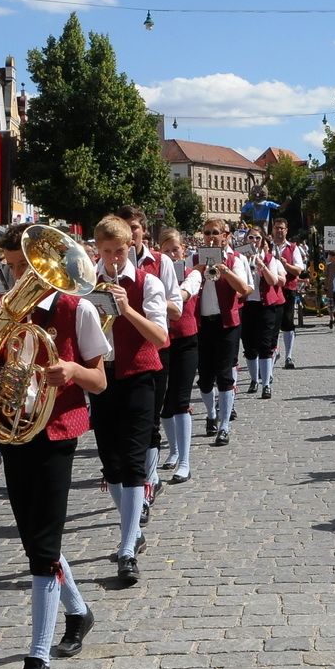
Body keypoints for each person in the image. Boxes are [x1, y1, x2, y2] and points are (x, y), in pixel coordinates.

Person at [0, 224, 110, 669]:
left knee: (42, 544)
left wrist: (72, 371)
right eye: (12, 266)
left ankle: (37, 659)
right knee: (34, 536)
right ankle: (78, 611)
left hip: (55, 431)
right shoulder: (0, 308)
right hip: (12, 427)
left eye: (22, 266)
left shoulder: (79, 308)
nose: (16, 275)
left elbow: (99, 380)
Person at [89, 216, 169, 585]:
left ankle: (125, 549)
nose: (113, 258)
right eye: (106, 252)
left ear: (129, 248)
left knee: (135, 462)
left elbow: (160, 338)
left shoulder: (146, 282)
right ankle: (132, 529)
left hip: (139, 377)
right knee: (112, 465)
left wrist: (127, 309)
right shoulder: (85, 281)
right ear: (97, 251)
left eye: (119, 251)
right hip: (102, 378)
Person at [123, 205, 182, 507]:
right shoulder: (104, 265)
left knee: (149, 422)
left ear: (143, 230)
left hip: (155, 350)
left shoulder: (160, 263)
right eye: (123, 227)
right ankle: (144, 479)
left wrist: (151, 294)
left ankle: (146, 481)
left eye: (133, 227)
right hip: (119, 353)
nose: (129, 234)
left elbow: (177, 308)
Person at [194, 219, 253, 446]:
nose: (211, 236)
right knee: (206, 378)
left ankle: (225, 425)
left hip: (227, 323)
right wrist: (197, 272)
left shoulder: (235, 259)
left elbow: (245, 289)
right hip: (202, 324)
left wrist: (225, 270)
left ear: (226, 236)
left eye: (215, 233)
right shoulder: (194, 258)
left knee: (224, 375)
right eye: (207, 232)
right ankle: (210, 414)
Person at [156, 229, 202, 485]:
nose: (172, 255)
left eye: (176, 250)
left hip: (186, 339)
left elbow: (185, 294)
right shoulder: (155, 275)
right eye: (167, 251)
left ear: (184, 250)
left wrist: (163, 294)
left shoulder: (192, 273)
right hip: (162, 340)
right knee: (164, 400)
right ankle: (173, 450)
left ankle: (184, 460)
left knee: (181, 399)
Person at [240, 226, 285, 399]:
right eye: (251, 237)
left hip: (265, 306)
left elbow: (273, 281)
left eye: (258, 238)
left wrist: (262, 266)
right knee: (249, 346)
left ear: (263, 241)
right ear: (245, 240)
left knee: (265, 345)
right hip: (246, 305)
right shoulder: (240, 259)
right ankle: (254, 380)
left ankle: (266, 383)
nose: (254, 241)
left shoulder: (269, 258)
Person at [270, 218, 306, 366]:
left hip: (287, 289)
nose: (279, 231)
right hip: (271, 289)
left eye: (282, 228)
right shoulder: (267, 246)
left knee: (288, 322)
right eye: (277, 228)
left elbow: (299, 270)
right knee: (272, 323)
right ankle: (273, 352)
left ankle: (288, 356)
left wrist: (286, 265)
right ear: (272, 230)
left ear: (286, 230)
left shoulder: (293, 248)